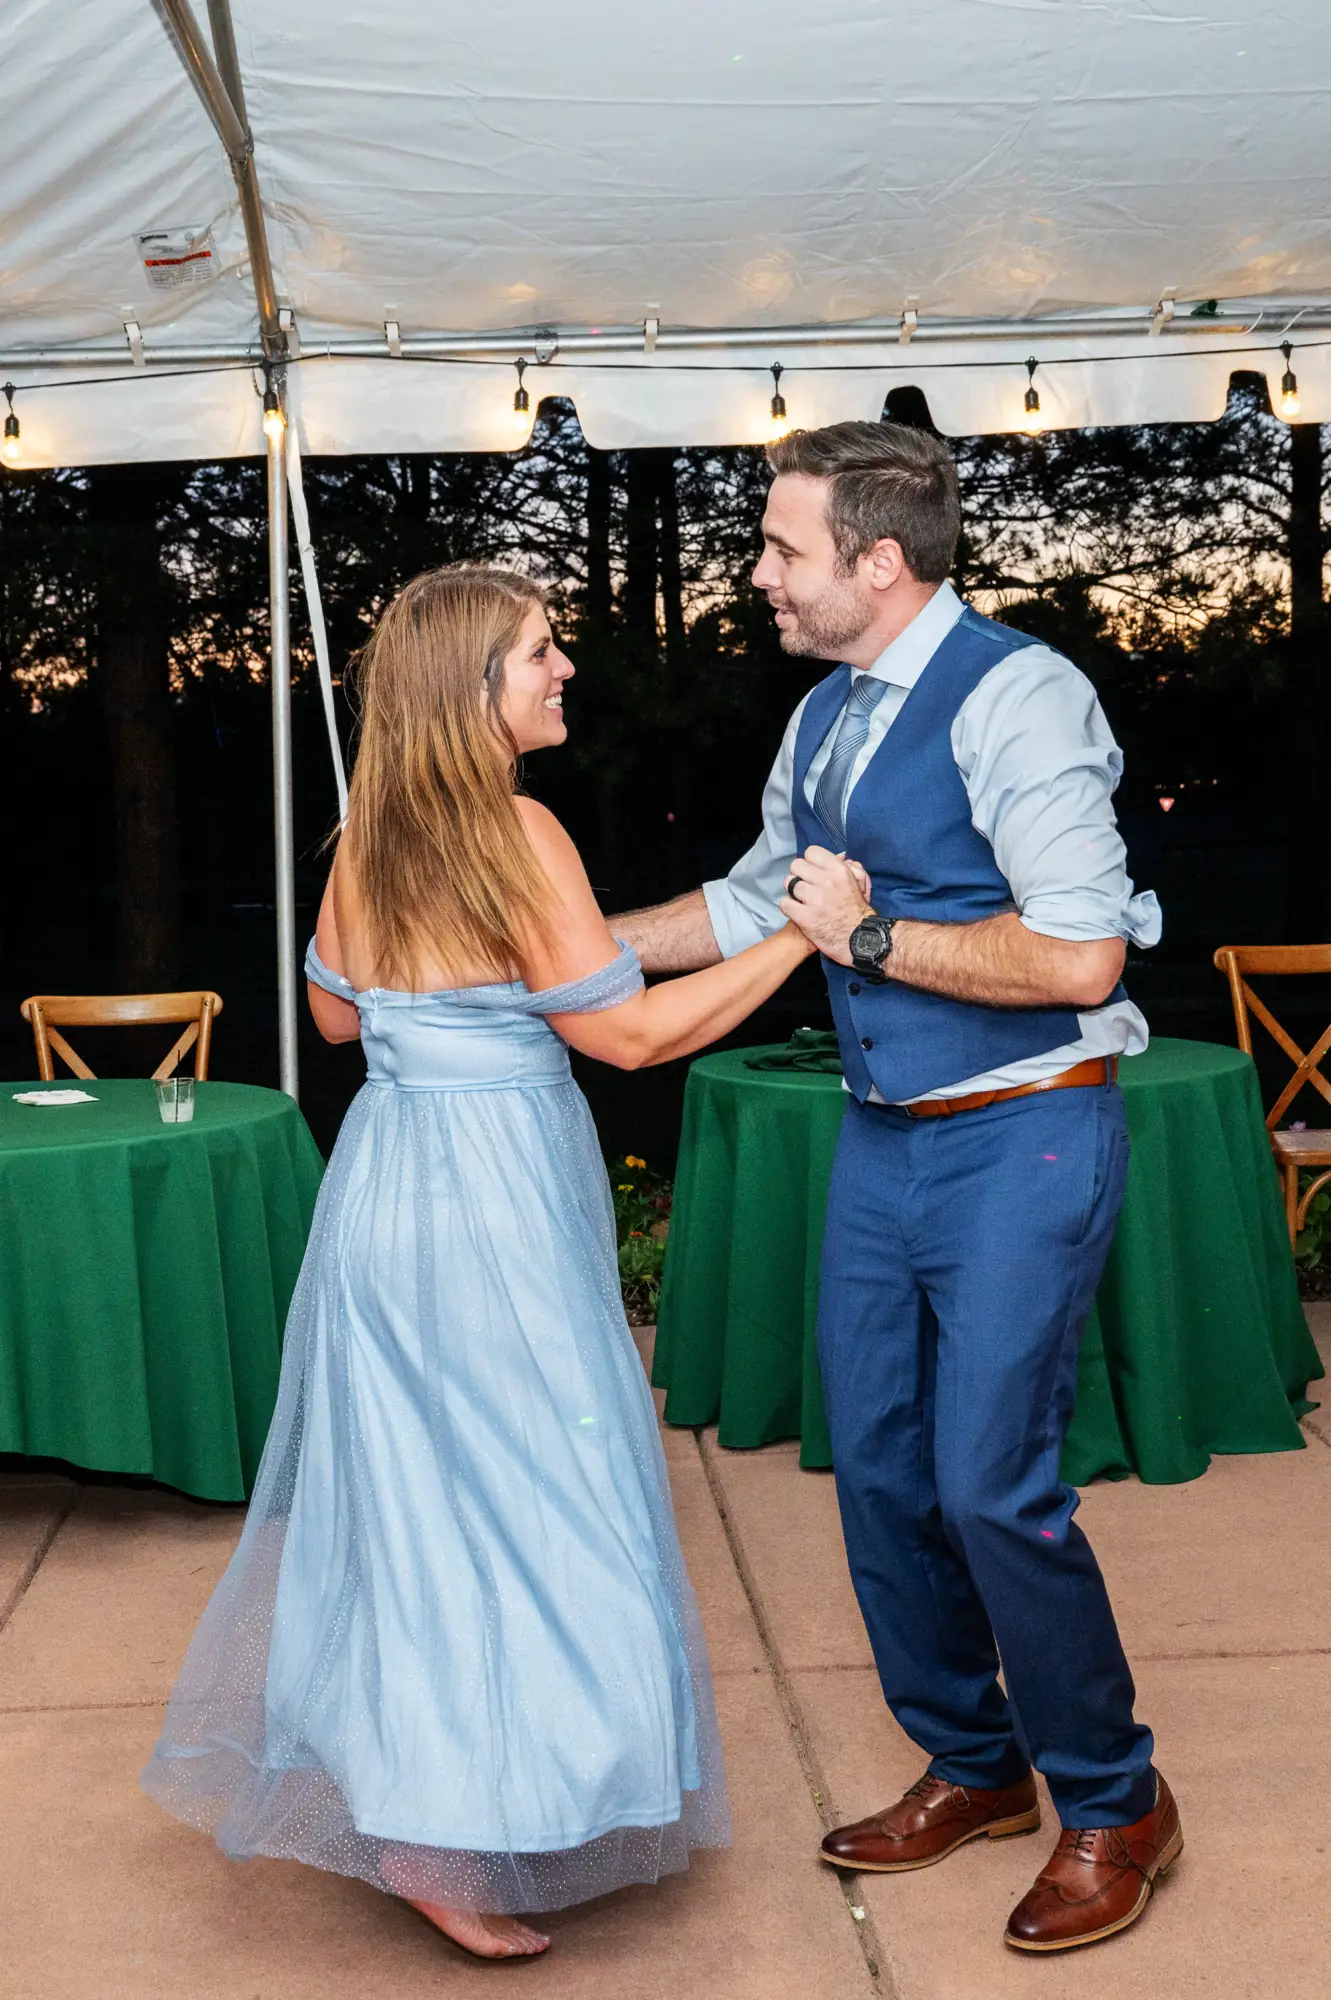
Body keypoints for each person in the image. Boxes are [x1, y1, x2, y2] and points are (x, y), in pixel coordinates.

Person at [142, 564, 814, 1961]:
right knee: (531, 1498)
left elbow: (336, 1023)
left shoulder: (366, 838)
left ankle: (422, 1803)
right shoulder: (517, 831)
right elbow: (626, 1038)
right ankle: (458, 1827)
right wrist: (804, 936)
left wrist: (491, 983)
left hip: (386, 1193)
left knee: (414, 1515)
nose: (562, 668)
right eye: (536, 652)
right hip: (490, 1208)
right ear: (470, 692)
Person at [613, 421, 1182, 1954]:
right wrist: (557, 959)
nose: (757, 575)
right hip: (881, 1134)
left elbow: (1077, 954)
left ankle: (1115, 1800)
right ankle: (977, 1767)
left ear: (878, 560)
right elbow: (748, 901)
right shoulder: (823, 717)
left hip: (1024, 1128)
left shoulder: (1019, 695)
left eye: (781, 548)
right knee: (873, 1472)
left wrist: (866, 943)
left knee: (991, 1483)